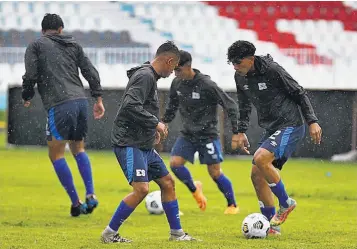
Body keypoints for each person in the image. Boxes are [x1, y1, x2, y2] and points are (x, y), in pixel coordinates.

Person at [101, 41, 198, 243]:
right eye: (174, 67)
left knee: (168, 183)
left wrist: (150, 129)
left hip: (142, 144)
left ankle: (177, 234)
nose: (173, 72)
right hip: (129, 143)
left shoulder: (149, 77)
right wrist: (156, 123)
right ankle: (109, 234)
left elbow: (138, 109)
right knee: (142, 189)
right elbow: (129, 106)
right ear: (169, 60)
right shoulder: (144, 76)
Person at [227, 40, 322, 235]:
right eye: (232, 63)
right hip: (271, 127)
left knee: (261, 158)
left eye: (238, 62)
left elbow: (298, 92)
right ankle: (270, 227)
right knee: (256, 175)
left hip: (290, 125)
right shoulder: (240, 76)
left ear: (251, 59)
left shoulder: (272, 70)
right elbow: (244, 105)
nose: (236, 67)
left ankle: (286, 203)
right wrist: (241, 130)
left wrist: (312, 120)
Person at [22, 13, 105, 217]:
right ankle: (91, 194)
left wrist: (27, 94)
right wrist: (99, 98)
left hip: (59, 104)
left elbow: (31, 74)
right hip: (80, 102)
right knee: (78, 149)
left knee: (56, 154)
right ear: (61, 29)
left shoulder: (37, 45)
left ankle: (76, 203)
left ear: (43, 31)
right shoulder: (74, 45)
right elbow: (89, 70)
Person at [162, 50, 240, 214]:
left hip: (208, 135)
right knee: (175, 164)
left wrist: (236, 131)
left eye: (178, 70)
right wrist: (164, 123)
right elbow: (171, 106)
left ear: (188, 66)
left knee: (215, 173)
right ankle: (195, 189)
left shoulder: (206, 84)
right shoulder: (177, 83)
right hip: (188, 134)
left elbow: (230, 105)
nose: (175, 73)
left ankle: (232, 205)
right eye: (174, 70)